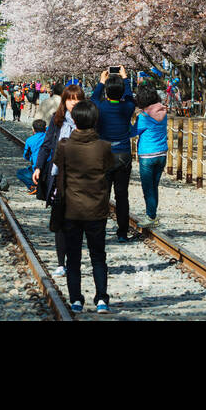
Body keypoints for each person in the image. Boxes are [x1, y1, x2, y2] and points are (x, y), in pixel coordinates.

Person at [53, 99, 113, 313]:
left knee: (73, 256)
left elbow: (60, 169)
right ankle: (101, 299)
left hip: (71, 209)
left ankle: (76, 299)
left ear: (75, 120)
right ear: (95, 121)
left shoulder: (65, 146)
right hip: (97, 209)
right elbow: (108, 168)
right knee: (98, 256)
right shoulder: (104, 147)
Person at [33, 84, 86, 278]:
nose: (74, 103)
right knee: (60, 221)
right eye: (70, 99)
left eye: (78, 99)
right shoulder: (57, 120)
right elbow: (47, 145)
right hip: (58, 176)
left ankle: (74, 262)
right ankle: (61, 263)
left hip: (80, 177)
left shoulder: (87, 120)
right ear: (64, 101)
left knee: (77, 222)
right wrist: (38, 167)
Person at [92, 69, 136, 242]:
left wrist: (101, 81)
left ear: (107, 91)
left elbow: (94, 98)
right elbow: (131, 97)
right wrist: (125, 78)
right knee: (121, 195)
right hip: (123, 154)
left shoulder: (100, 106)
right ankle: (123, 233)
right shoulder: (128, 107)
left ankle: (100, 231)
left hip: (104, 154)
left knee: (103, 195)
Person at [131, 85, 168, 227]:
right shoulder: (163, 112)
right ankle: (152, 215)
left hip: (147, 155)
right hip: (162, 154)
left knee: (148, 188)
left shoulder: (144, 117)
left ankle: (151, 217)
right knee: (154, 186)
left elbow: (132, 132)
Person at [16, 119, 48, 191]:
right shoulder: (49, 137)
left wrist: (32, 158)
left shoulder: (30, 140)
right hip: (49, 168)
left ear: (33, 129)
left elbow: (26, 156)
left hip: (37, 169)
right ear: (45, 128)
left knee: (20, 173)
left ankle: (33, 187)